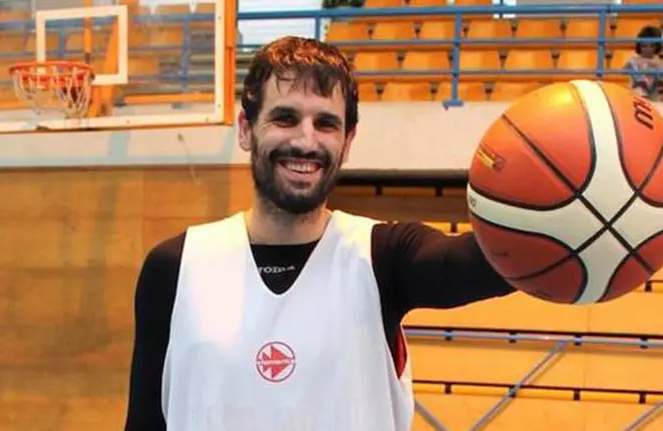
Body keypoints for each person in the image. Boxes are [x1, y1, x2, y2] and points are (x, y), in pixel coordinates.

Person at [122, 36, 517, 431]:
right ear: (246, 129)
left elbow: (489, 261)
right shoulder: (175, 268)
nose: (306, 141)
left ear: (347, 142)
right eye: (285, 118)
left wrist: (565, 211)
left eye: (326, 124)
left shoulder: (382, 257)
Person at [624, 26, 663, 101]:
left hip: (654, 93)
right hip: (638, 92)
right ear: (639, 46)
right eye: (644, 46)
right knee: (639, 90)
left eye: (651, 46)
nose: (647, 49)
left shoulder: (660, 63)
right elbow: (623, 72)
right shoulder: (633, 60)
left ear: (657, 47)